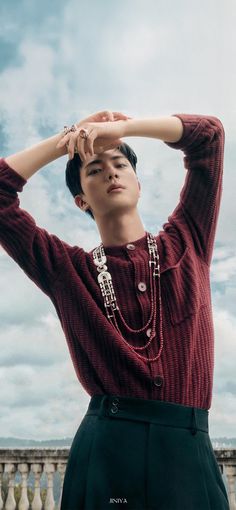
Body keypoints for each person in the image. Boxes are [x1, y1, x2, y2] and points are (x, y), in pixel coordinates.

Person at [0, 109, 229, 510]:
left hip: (188, 447)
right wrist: (70, 140)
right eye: (94, 168)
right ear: (80, 199)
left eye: (120, 163)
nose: (110, 172)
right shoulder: (67, 270)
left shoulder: (188, 240)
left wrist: (122, 128)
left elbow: (209, 137)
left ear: (138, 183)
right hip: (108, 451)